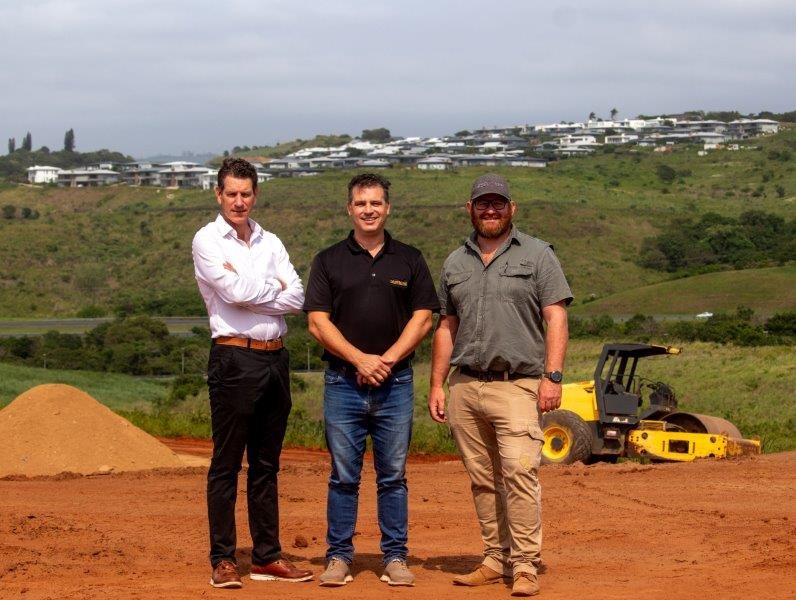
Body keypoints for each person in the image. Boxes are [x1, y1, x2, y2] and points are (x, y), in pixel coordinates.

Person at [428, 173, 572, 597]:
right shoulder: (455, 262)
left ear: (512, 208)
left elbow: (556, 317)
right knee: (482, 477)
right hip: (466, 386)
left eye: (498, 203)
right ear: (469, 209)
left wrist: (553, 376)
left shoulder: (539, 254)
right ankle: (495, 556)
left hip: (519, 384)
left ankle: (525, 563)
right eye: (482, 204)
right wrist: (437, 384)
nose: (490, 210)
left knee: (519, 472)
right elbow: (446, 325)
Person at [304, 173, 439, 587]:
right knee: (343, 475)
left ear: (387, 208)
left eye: (376, 203)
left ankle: (395, 557)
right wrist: (360, 359)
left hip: (395, 384)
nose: (369, 210)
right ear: (350, 208)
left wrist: (388, 359)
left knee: (393, 475)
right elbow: (316, 322)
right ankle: (338, 557)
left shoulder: (410, 259)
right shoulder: (328, 260)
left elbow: (424, 317)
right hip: (343, 382)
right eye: (361, 203)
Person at [192, 157, 312, 588]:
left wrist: (255, 294)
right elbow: (233, 292)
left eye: (246, 194)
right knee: (226, 464)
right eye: (231, 194)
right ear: (218, 195)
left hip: (275, 358)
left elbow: (297, 296)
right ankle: (223, 559)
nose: (239, 201)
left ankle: (266, 555)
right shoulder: (207, 240)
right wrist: (270, 290)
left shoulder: (270, 241)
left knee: (266, 464)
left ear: (255, 194)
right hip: (233, 358)